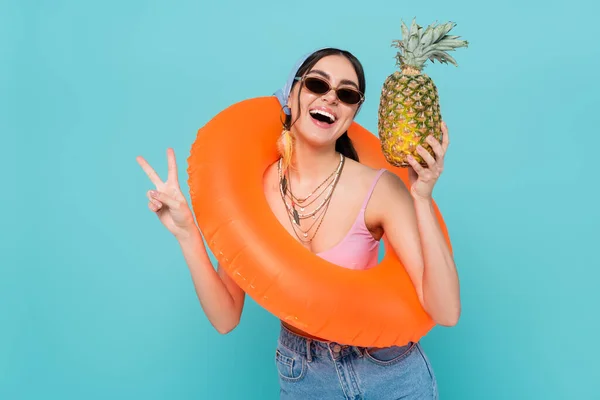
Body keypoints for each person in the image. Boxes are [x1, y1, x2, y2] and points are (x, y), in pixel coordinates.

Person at [136, 48, 460, 399]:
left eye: (346, 94)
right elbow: (225, 318)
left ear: (353, 112)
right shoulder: (252, 194)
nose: (330, 99)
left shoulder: (381, 188)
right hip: (305, 374)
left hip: (390, 372)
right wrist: (187, 234)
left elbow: (446, 311)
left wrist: (422, 197)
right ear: (291, 93)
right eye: (317, 85)